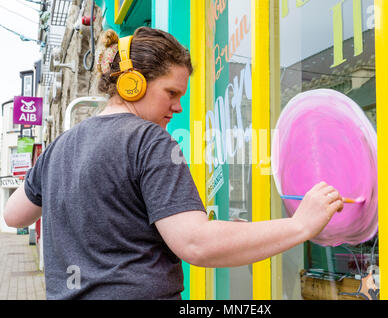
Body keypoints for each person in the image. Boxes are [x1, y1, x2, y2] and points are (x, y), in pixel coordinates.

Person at [4, 26, 343, 300]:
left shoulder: (59, 146)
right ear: (133, 84)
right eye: (171, 93)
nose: (178, 106)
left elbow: (14, 214)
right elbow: (197, 243)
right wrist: (301, 226)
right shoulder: (147, 140)